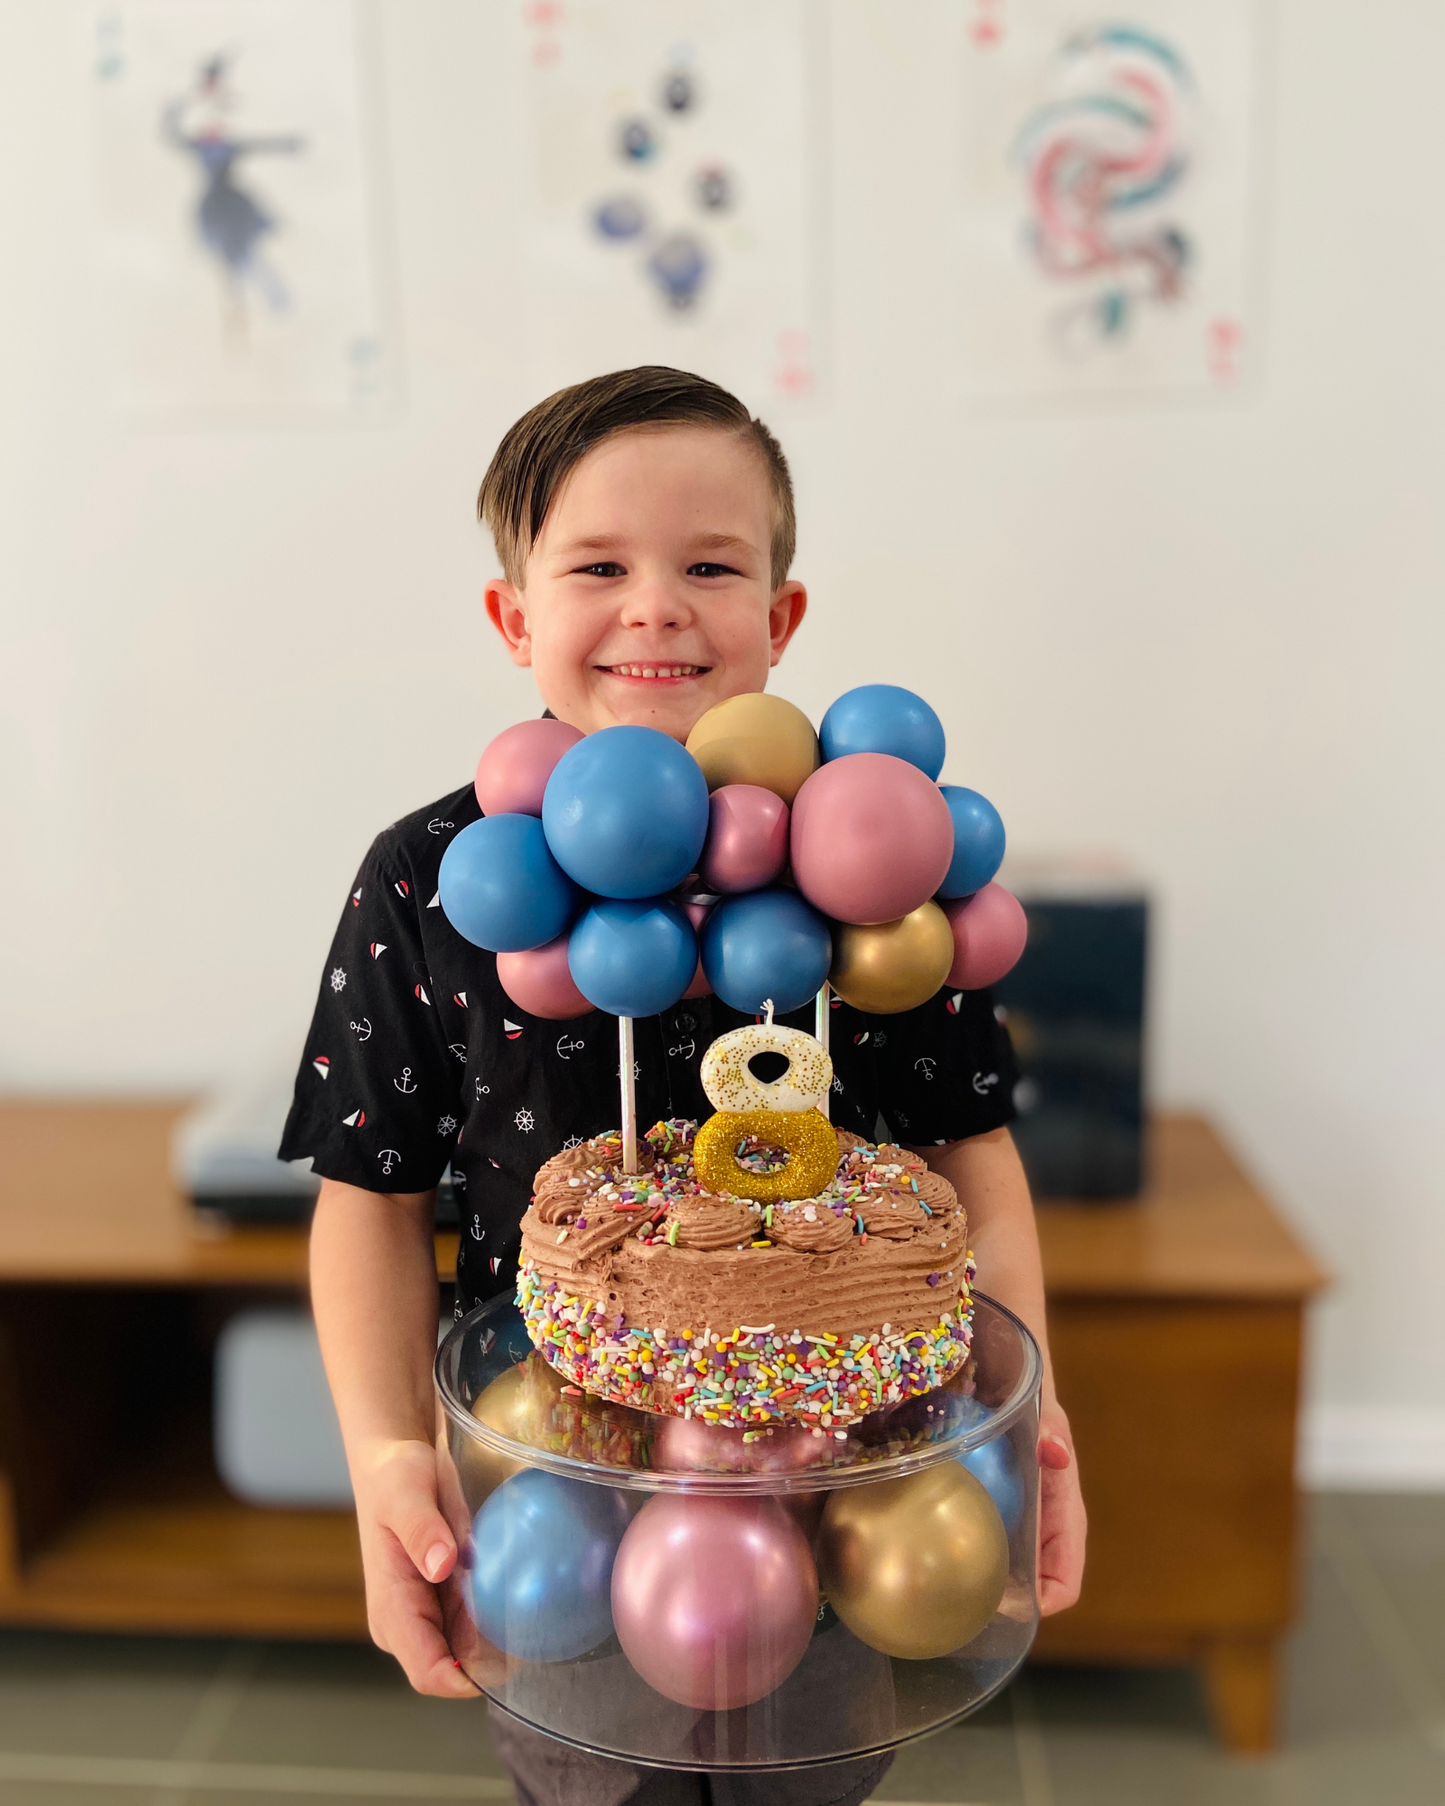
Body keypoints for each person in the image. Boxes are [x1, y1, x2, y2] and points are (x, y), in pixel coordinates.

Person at [281, 366, 1086, 1806]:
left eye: (710, 564)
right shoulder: (431, 878)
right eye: (599, 565)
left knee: (814, 1780)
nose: (657, 605)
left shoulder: (872, 866)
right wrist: (387, 1453)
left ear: (780, 618)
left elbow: (973, 1156)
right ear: (514, 615)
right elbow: (369, 1197)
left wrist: (1031, 1409)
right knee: (588, 1783)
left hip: (851, 1487)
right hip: (551, 1504)